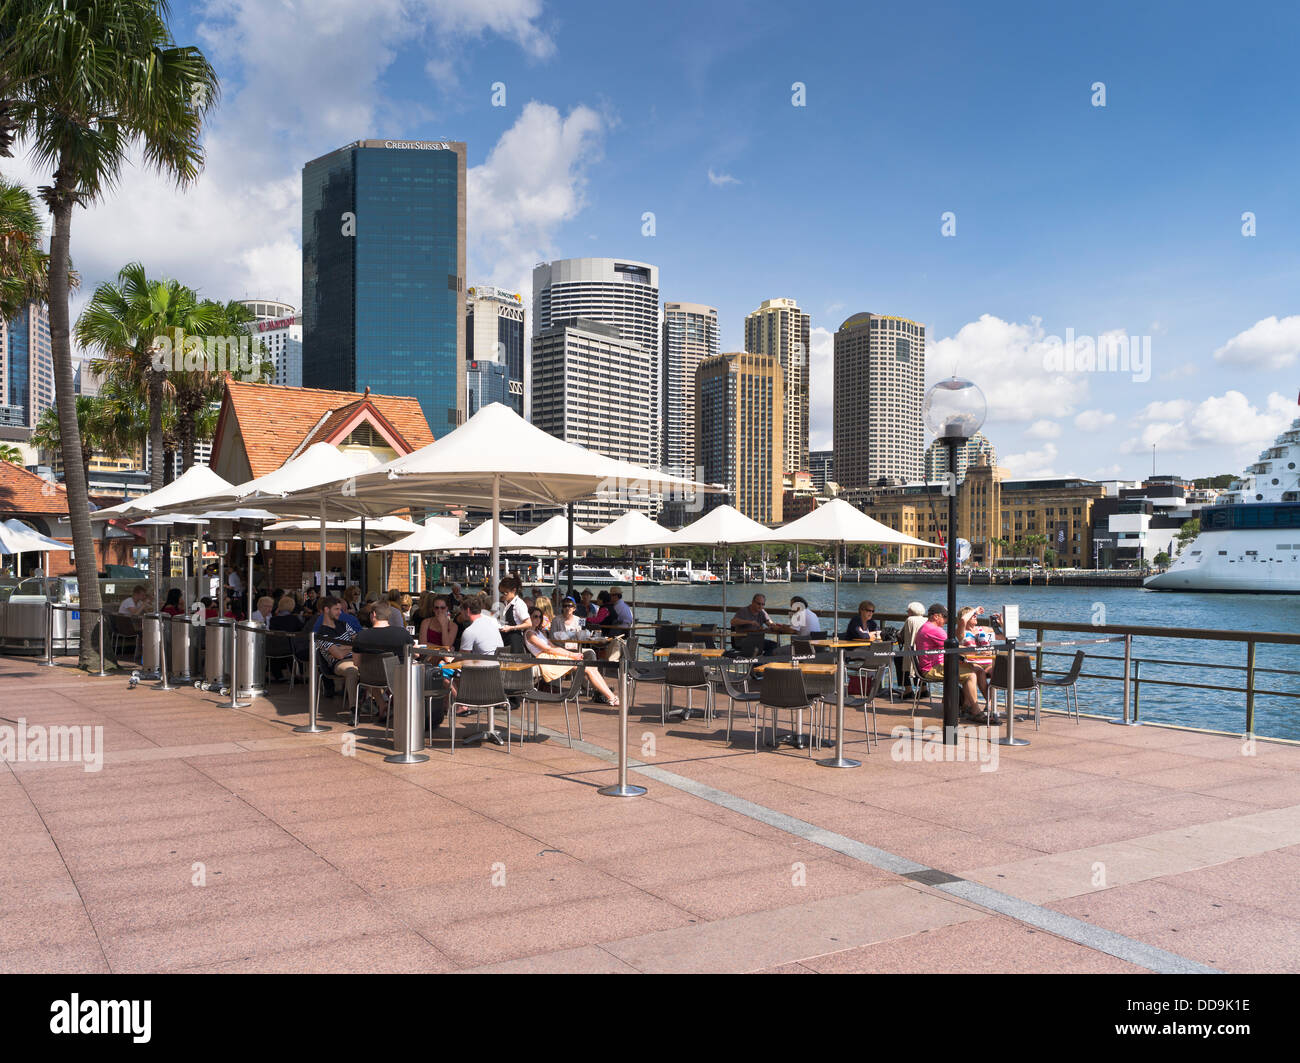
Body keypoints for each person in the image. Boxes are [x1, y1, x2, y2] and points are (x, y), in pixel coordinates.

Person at [524, 598, 619, 704]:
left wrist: (571, 654)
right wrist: (571, 655)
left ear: (574, 608)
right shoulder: (530, 633)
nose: (538, 619)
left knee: (591, 667)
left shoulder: (538, 632)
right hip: (546, 659)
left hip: (554, 655)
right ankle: (609, 696)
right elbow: (548, 649)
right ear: (529, 618)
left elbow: (552, 646)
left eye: (539, 616)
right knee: (587, 668)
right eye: (535, 616)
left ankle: (607, 695)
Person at [914, 604, 991, 723]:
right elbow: (954, 646)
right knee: (971, 674)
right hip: (932, 668)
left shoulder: (926, 627)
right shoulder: (933, 630)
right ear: (935, 616)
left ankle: (969, 706)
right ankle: (975, 710)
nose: (946, 620)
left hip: (935, 665)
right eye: (944, 617)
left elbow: (951, 648)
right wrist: (976, 651)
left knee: (974, 669)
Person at [315, 596, 359, 703]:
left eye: (340, 609)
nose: (340, 612)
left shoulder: (344, 625)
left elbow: (359, 642)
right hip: (339, 663)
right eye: (336, 609)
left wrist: (343, 647)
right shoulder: (322, 633)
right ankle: (354, 708)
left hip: (356, 658)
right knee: (352, 671)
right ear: (326, 609)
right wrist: (351, 646)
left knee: (375, 664)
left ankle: (381, 704)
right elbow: (339, 655)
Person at [898, 601, 928, 695]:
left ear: (911, 612)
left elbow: (901, 635)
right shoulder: (926, 620)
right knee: (916, 661)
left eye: (908, 611)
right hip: (924, 653)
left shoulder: (910, 620)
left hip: (912, 652)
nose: (907, 613)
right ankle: (923, 689)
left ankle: (908, 689)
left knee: (899, 659)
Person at [497, 576, 531, 653]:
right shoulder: (506, 603)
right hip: (505, 639)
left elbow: (529, 624)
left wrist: (511, 628)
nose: (503, 595)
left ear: (514, 590)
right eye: (501, 593)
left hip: (515, 640)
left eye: (505, 593)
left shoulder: (519, 604)